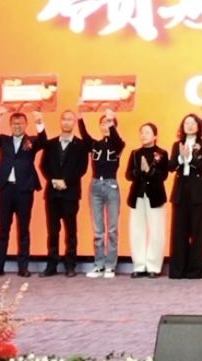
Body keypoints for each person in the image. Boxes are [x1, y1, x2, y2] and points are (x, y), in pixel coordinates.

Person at [0, 108, 46, 278]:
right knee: (3, 229)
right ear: (10, 125)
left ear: (26, 125)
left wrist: (39, 122)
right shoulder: (3, 141)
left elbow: (44, 141)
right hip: (5, 189)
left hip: (24, 190)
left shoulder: (32, 141)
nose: (18, 126)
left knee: (23, 229)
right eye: (15, 123)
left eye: (21, 123)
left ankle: (23, 268)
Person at [38, 109, 90, 277]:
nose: (66, 122)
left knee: (71, 231)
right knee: (52, 231)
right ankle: (51, 264)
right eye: (64, 119)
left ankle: (70, 265)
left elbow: (82, 168)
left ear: (74, 123)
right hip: (52, 193)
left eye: (70, 119)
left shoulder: (81, 145)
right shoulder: (51, 144)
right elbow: (43, 165)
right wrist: (53, 180)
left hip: (71, 194)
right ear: (60, 122)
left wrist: (66, 182)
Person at [79, 109, 123, 279]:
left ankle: (110, 265)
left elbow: (116, 140)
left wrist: (112, 122)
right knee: (98, 230)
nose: (105, 126)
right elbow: (85, 136)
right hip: (96, 185)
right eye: (103, 123)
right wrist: (80, 117)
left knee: (112, 229)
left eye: (109, 123)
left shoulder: (118, 144)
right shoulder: (95, 145)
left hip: (111, 186)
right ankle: (99, 264)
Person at [168, 113, 202, 280]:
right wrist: (181, 157)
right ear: (182, 126)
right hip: (181, 189)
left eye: (193, 123)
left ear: (198, 126)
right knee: (179, 231)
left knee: (197, 231)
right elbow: (171, 166)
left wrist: (190, 158)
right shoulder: (177, 144)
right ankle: (178, 270)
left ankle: (195, 270)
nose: (190, 125)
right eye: (186, 123)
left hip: (198, 190)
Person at [125, 123, 170, 278]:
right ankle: (139, 265)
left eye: (147, 132)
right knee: (137, 231)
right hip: (137, 196)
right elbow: (128, 175)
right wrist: (139, 171)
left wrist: (149, 170)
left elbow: (163, 176)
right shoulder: (135, 153)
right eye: (142, 132)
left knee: (157, 231)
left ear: (155, 136)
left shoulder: (162, 153)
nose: (144, 135)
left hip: (155, 196)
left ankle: (153, 266)